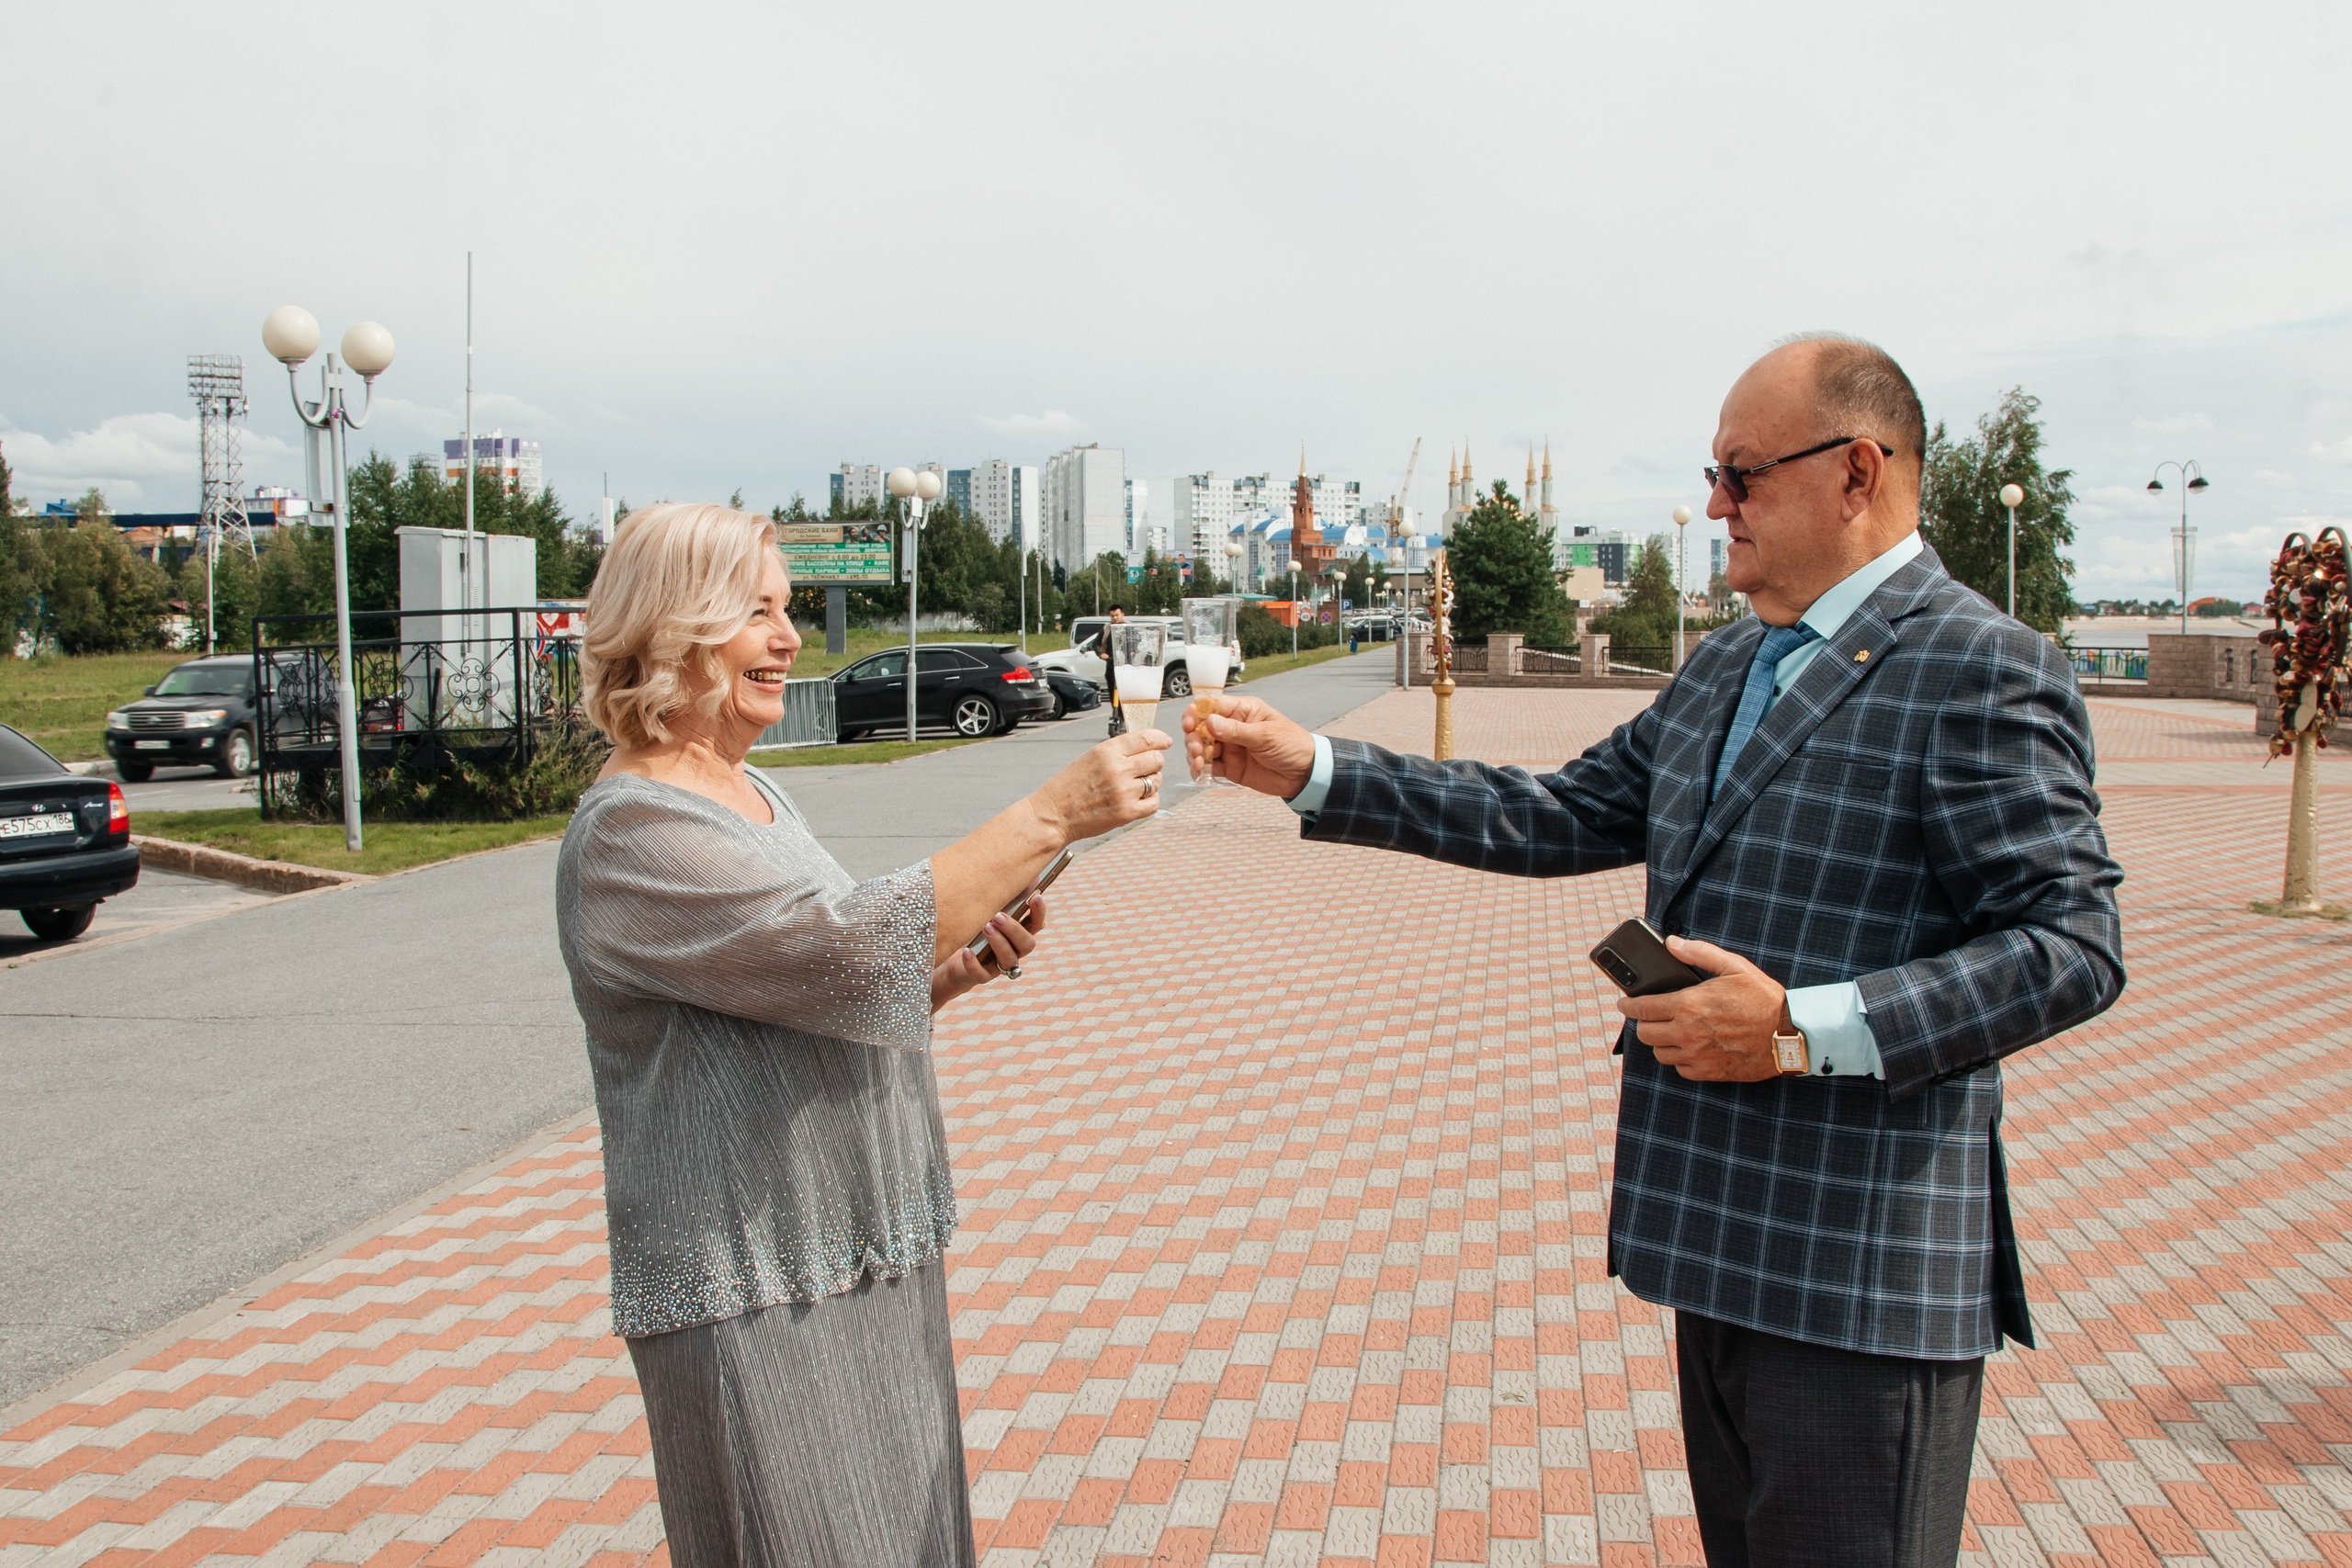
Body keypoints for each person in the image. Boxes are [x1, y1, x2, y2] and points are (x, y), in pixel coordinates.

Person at [1185, 337, 2123, 1567]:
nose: (1716, 504)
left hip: (1863, 1276)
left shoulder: (1979, 664)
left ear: (1856, 472)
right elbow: (1559, 812)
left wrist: (1799, 1028)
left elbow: (2069, 943)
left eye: (1742, 473)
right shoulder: (1730, 659)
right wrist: (1314, 768)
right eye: (1712, 475)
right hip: (1713, 1243)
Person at [558, 503, 1170, 1566]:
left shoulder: (749, 790)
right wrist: (1048, 817)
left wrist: (951, 974)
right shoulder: (632, 829)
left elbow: (800, 983)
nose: (788, 639)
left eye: (786, 609)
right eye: (756, 613)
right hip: (754, 1285)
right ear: (671, 628)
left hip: (859, 1250)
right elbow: (840, 949)